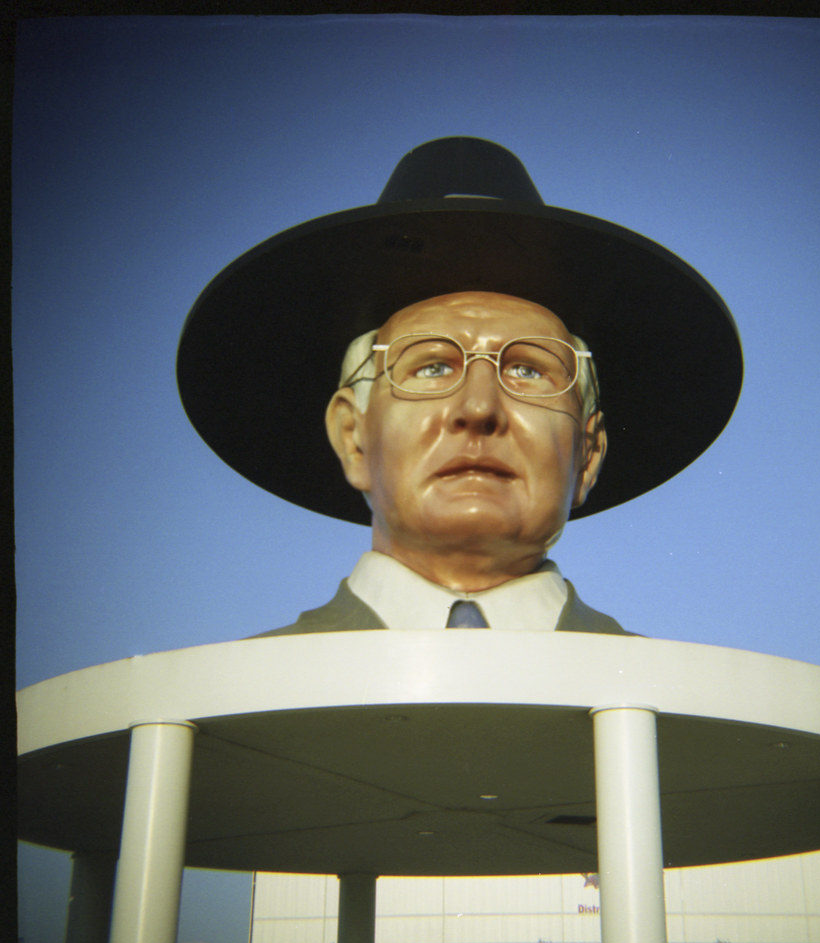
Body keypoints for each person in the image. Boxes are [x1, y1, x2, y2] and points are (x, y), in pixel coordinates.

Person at [176, 137, 743, 634]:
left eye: (528, 369)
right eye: (430, 367)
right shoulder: (197, 720)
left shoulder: (694, 718)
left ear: (589, 456)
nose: (477, 408)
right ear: (352, 436)